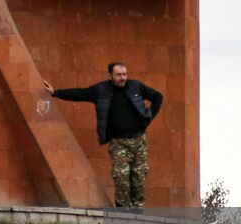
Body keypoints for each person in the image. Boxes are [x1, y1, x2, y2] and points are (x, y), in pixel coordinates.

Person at [42, 64, 164, 209]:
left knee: (139, 178)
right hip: (118, 142)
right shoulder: (101, 90)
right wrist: (56, 92)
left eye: (124, 74)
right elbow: (80, 94)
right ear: (110, 76)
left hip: (139, 141)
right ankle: (124, 213)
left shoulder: (135, 86)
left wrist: (148, 116)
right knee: (121, 178)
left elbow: (157, 97)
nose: (122, 78)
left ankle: (137, 211)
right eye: (118, 75)